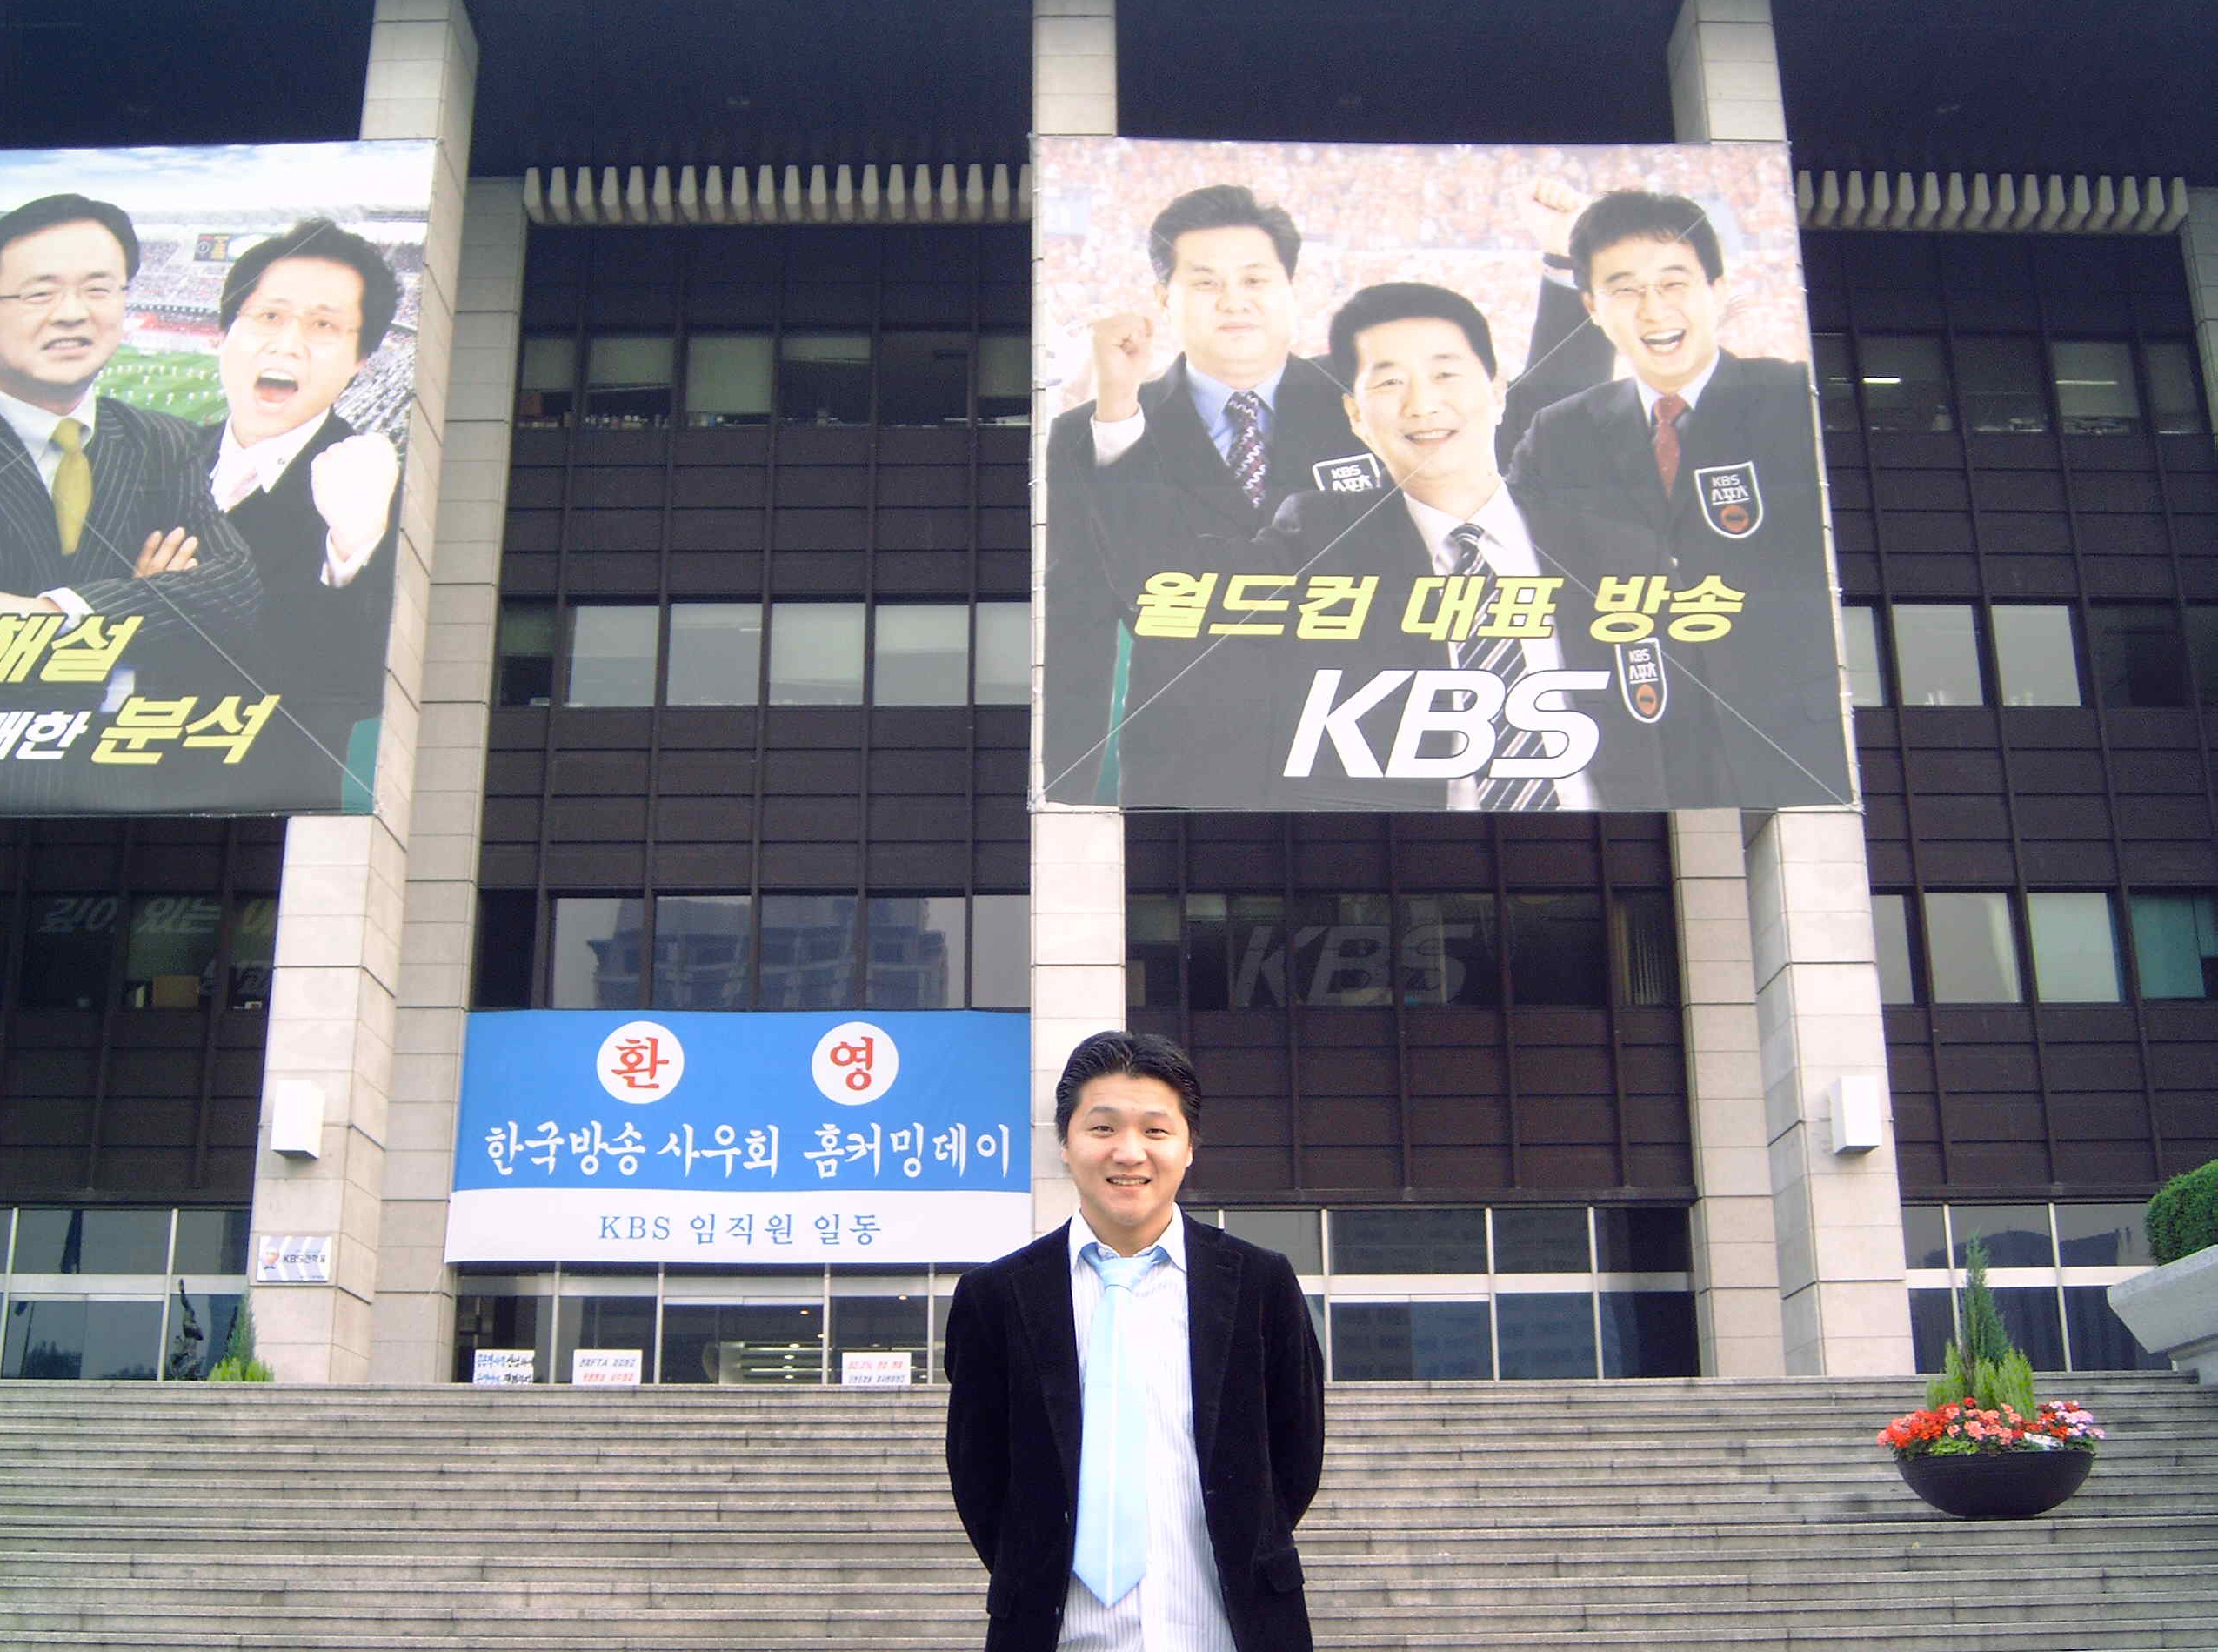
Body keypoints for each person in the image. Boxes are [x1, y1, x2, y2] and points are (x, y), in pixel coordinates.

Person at [1042, 180, 1607, 806]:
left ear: (1291, 288)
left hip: (1365, 764)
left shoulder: (1375, 394)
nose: (1234, 301)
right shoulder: (1104, 426)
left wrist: (1564, 264)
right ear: (1162, 298)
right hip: (1192, 778)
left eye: (1254, 279)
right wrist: (1064, 794)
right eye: (1205, 282)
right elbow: (1076, 621)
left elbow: (1539, 417)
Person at [945, 1030, 1325, 1652]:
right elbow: (979, 1475)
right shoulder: (996, 1297)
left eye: (1155, 1130)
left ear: (1189, 1145)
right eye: (1102, 1128)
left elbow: (1295, 1456)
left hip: (1228, 1634)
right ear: (1065, 1142)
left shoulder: (1260, 1284)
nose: (1129, 1152)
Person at [1507, 188, 1853, 808]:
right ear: (1592, 308)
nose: (1654, 310)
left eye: (1673, 283)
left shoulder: (1792, 400)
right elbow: (1497, 495)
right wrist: (1559, 261)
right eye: (1625, 291)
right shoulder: (1561, 430)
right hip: (1633, 751)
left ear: (1717, 291)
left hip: (1791, 742)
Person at [0, 193, 259, 647]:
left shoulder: (164, 440)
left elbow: (233, 590)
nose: (72, 314)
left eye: (98, 290)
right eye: (40, 294)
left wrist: (49, 614)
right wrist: (144, 602)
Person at [204, 217, 403, 802]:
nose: (287, 343)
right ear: (224, 333)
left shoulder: (381, 491)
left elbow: (360, 682)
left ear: (362, 358)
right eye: (268, 316)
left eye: (323, 325)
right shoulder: (144, 463)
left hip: (267, 796)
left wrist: (348, 553)